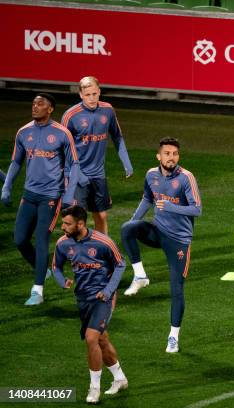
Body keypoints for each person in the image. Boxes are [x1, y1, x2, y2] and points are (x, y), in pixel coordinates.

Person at [120, 137, 201, 353]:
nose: (171, 157)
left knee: (176, 290)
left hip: (179, 241)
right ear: (159, 156)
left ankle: (173, 336)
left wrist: (171, 207)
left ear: (178, 156)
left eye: (174, 154)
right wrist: (134, 220)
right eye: (167, 153)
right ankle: (140, 276)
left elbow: (197, 209)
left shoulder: (186, 178)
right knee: (127, 229)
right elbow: (147, 199)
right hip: (157, 231)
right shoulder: (151, 175)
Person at [1, 93, 80, 306]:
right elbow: (16, 162)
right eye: (33, 103)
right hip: (29, 195)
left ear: (50, 108)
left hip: (51, 197)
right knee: (19, 240)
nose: (35, 106)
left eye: (40, 103)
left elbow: (74, 165)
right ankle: (42, 269)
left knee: (42, 238)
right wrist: (6, 187)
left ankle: (38, 291)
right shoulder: (23, 132)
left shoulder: (62, 133)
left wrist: (69, 194)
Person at [52, 206, 128, 404]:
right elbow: (56, 267)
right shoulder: (63, 244)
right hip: (82, 298)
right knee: (101, 340)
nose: (63, 227)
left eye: (67, 224)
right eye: (63, 223)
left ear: (81, 224)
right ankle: (120, 379)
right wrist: (63, 282)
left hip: (103, 297)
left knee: (91, 338)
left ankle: (94, 388)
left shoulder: (103, 242)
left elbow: (120, 264)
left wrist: (109, 290)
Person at [61, 76, 133, 235]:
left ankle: (103, 251)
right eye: (87, 95)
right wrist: (78, 175)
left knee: (102, 215)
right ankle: (75, 255)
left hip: (98, 175)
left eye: (94, 94)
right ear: (80, 94)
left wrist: (126, 163)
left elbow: (117, 136)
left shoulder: (108, 110)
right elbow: (62, 150)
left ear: (99, 91)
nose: (92, 98)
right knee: (75, 219)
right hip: (76, 175)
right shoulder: (70, 116)